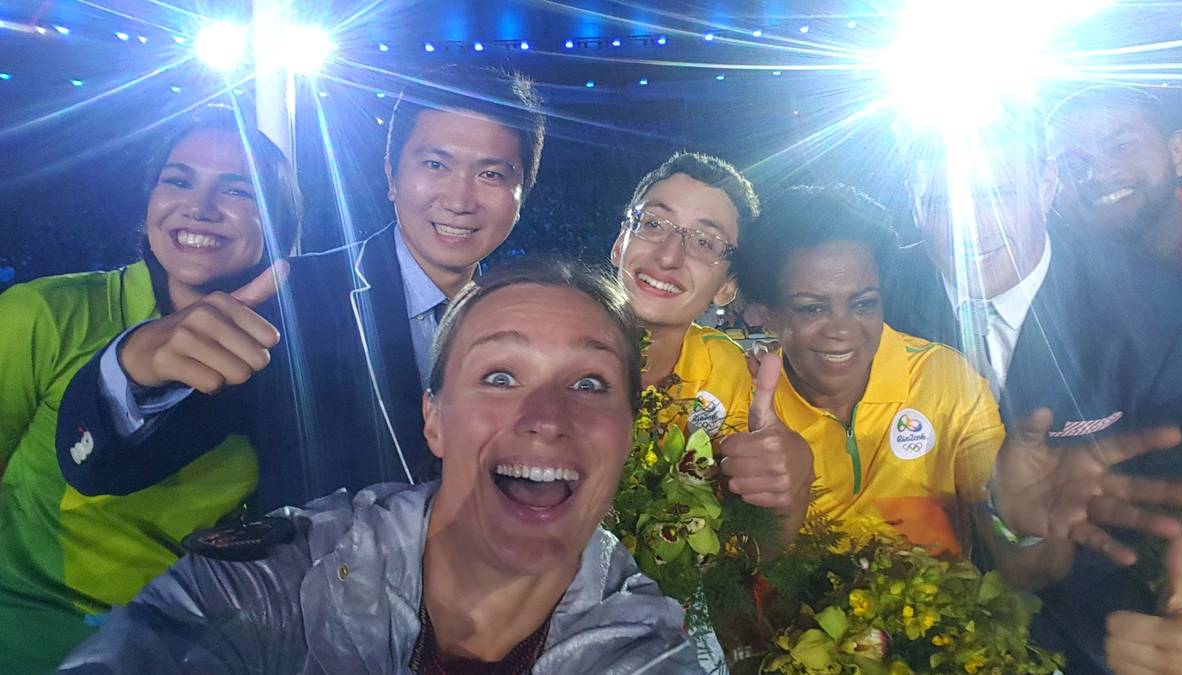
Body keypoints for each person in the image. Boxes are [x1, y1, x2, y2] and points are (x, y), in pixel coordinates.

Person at [58, 259, 700, 674]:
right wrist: (135, 366)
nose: (547, 417)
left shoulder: (648, 648)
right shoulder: (274, 585)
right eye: (500, 376)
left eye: (589, 384)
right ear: (433, 418)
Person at [55, 65, 545, 513]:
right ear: (392, 175)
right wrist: (132, 369)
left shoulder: (521, 321)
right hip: (325, 597)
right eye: (435, 165)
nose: (459, 200)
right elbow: (108, 466)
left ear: (523, 193)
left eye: (490, 175)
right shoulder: (293, 299)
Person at [886, 109, 1182, 674]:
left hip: (1097, 632)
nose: (971, 230)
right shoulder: (871, 300)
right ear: (913, 202)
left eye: (996, 193)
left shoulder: (1163, 315)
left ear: (1047, 183)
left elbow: (1167, 516)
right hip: (906, 628)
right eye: (940, 204)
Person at [0, 105, 301, 673]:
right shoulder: (45, 313)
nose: (201, 208)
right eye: (178, 180)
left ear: (276, 225)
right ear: (147, 205)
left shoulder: (297, 356)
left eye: (236, 191)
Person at [735, 184, 1002, 557]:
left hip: (940, 612)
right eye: (812, 308)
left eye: (863, 304)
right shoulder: (739, 401)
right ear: (767, 315)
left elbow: (1005, 521)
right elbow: (727, 580)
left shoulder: (944, 378)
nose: (842, 331)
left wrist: (1023, 515)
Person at [610, 151, 812, 536]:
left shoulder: (729, 376)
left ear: (727, 287)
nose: (668, 255)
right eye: (652, 223)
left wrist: (792, 493)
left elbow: (753, 560)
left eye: (705, 243)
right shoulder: (542, 349)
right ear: (621, 242)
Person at [1046, 85, 1182, 275]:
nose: (1100, 175)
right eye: (1071, 166)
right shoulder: (1043, 280)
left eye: (1121, 147)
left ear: (1179, 154)